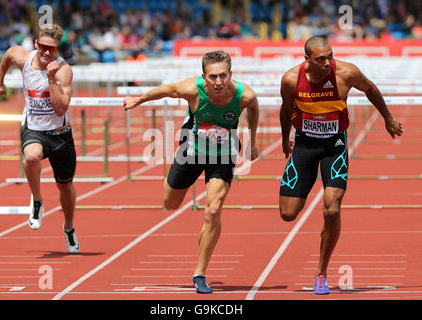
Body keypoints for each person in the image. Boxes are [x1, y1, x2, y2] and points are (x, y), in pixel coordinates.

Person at [123, 50, 260, 293]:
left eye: (223, 76)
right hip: (191, 150)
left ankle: (200, 273)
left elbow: (253, 107)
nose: (218, 82)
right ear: (203, 77)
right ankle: (197, 217)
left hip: (223, 154)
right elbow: (165, 90)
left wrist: (253, 141)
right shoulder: (191, 89)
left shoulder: (244, 94)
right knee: (170, 203)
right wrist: (137, 99)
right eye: (212, 77)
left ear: (231, 74)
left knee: (213, 210)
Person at [279, 36, 403, 294]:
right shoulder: (291, 79)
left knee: (332, 210)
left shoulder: (346, 73)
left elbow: (370, 89)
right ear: (307, 60)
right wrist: (284, 139)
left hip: (334, 146)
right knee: (288, 213)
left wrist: (388, 118)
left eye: (330, 56)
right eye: (320, 59)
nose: (327, 63)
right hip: (304, 145)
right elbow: (285, 109)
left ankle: (321, 273)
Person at [0, 23, 80, 254]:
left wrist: (51, 80)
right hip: (34, 130)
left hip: (60, 135)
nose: (46, 52)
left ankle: (69, 228)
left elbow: (61, 109)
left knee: (66, 188)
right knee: (31, 158)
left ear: (57, 49)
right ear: (35, 44)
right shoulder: (24, 58)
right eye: (43, 47)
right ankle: (38, 200)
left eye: (51, 49)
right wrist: (0, 81)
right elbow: (9, 53)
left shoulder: (63, 71)